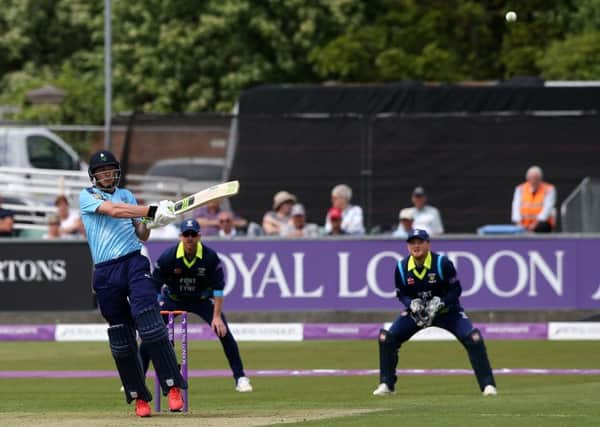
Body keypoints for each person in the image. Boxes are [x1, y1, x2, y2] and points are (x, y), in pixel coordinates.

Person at [79, 149, 187, 417]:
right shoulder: (87, 196)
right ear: (94, 175)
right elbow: (114, 212)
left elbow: (142, 234)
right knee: (121, 337)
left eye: (110, 169)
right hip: (105, 272)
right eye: (101, 171)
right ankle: (139, 397)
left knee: (149, 323)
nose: (106, 174)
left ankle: (172, 387)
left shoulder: (126, 195)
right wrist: (151, 209)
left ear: (116, 171)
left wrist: (152, 220)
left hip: (133, 262)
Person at [373, 229, 497, 397]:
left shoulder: (442, 263)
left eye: (420, 242)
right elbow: (401, 293)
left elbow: (456, 290)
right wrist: (411, 303)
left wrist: (441, 302)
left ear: (428, 244)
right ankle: (387, 384)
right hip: (418, 314)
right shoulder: (402, 267)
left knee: (473, 338)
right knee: (387, 339)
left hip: (447, 312)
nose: (416, 246)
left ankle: (488, 385)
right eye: (412, 243)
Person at [142, 219, 253, 393]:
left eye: (193, 234)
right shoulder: (169, 257)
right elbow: (155, 286)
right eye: (186, 234)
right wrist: (156, 312)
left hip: (201, 300)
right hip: (173, 298)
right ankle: (138, 379)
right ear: (181, 236)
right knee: (151, 334)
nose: (190, 238)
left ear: (199, 236)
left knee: (224, 332)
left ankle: (240, 377)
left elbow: (218, 290)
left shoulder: (209, 257)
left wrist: (216, 317)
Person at [511, 165, 556, 233]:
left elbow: (547, 209)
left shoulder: (549, 189)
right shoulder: (520, 189)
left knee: (542, 227)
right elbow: (515, 206)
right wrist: (519, 223)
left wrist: (534, 225)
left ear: (540, 178)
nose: (533, 181)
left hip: (541, 224)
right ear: (527, 178)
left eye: (536, 178)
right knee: (515, 229)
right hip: (523, 223)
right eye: (531, 178)